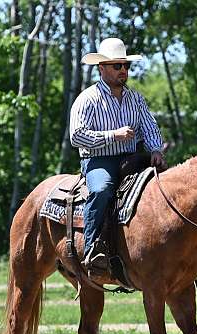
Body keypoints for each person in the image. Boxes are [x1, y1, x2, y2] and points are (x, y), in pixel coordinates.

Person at [70, 37, 167, 274]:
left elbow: (149, 127)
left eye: (126, 66)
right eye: (117, 66)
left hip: (132, 157)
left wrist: (155, 149)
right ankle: (92, 248)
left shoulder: (135, 98)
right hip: (98, 160)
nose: (123, 70)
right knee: (102, 190)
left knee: (168, 185)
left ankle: (174, 246)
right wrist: (113, 135)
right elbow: (77, 136)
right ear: (101, 68)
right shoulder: (87, 99)